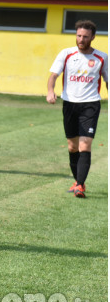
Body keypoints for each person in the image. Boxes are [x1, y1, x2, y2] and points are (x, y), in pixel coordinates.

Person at [47, 19, 107, 198]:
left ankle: (80, 185)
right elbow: (53, 76)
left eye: (85, 37)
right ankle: (77, 181)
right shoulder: (66, 54)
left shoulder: (102, 57)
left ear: (93, 37)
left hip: (90, 104)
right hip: (69, 104)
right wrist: (50, 91)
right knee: (72, 147)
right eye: (79, 36)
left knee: (85, 144)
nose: (81, 39)